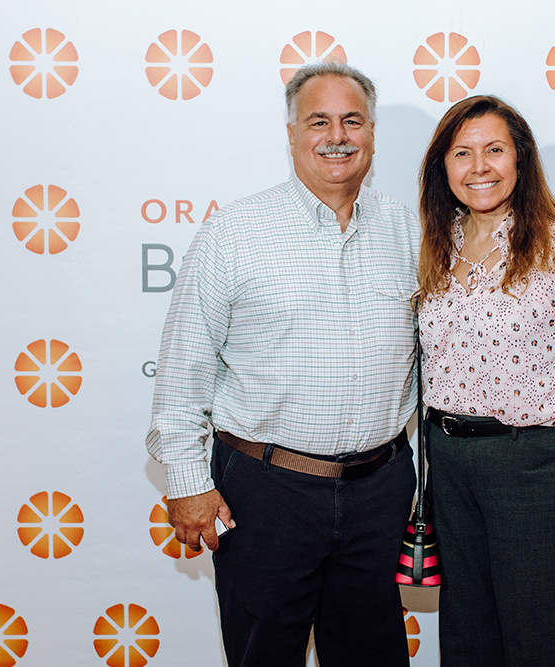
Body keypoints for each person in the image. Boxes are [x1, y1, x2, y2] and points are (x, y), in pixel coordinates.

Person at [146, 62, 419, 667]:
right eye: (319, 121)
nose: (337, 136)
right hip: (264, 495)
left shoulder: (409, 230)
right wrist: (188, 484)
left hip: (380, 492)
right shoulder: (234, 232)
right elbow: (184, 369)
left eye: (352, 121)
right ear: (292, 134)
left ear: (372, 134)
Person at [415, 95, 555, 666]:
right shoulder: (434, 246)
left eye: (494, 150)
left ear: (520, 159)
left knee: (539, 646)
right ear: (443, 167)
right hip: (450, 467)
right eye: (462, 153)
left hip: (534, 469)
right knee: (467, 644)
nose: (479, 167)